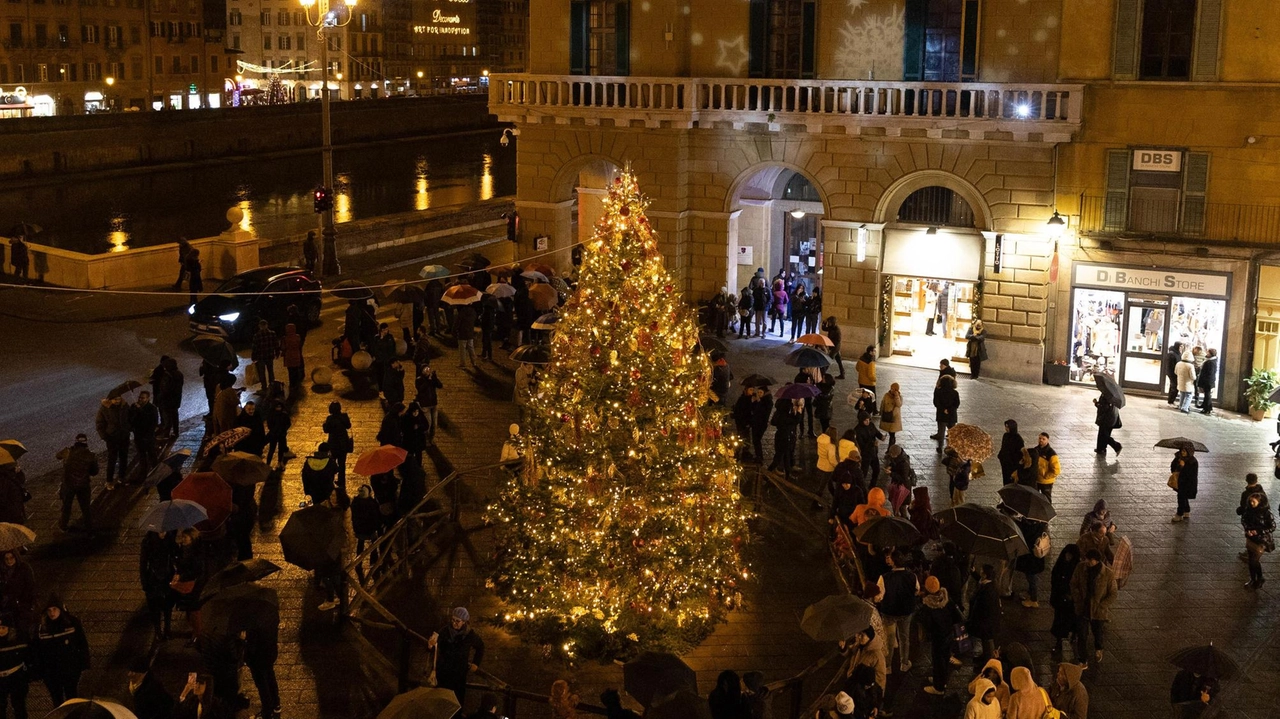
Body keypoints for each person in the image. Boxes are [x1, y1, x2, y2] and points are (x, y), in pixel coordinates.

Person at [34, 596, 89, 705]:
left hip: (70, 669)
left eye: (54, 609)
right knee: (57, 700)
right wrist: (40, 671)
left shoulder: (72, 623)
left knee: (72, 698)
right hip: (51, 673)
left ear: (60, 609)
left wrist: (83, 664)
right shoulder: (41, 628)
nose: (52, 613)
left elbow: (82, 643)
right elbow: (37, 650)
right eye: (49, 610)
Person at [429, 607, 485, 706]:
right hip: (443, 673)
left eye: (457, 621)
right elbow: (435, 646)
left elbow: (480, 647)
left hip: (458, 675)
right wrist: (430, 645)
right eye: (453, 620)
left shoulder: (469, 635)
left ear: (464, 622)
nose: (454, 623)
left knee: (456, 702)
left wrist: (476, 663)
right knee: (442, 701)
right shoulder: (444, 631)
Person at [1070, 549, 1116, 665]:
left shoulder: (1108, 574)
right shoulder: (1081, 568)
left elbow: (1113, 593)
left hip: (1098, 611)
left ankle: (1099, 648)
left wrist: (1102, 606)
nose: (1087, 562)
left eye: (1089, 560)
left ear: (1096, 561)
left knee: (1098, 632)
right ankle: (1082, 659)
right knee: (1082, 635)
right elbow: (1073, 584)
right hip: (1082, 608)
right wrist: (1077, 599)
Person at [875, 549, 918, 674]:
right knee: (904, 638)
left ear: (893, 562)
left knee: (889, 640)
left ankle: (887, 666)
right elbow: (916, 590)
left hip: (889, 612)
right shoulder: (912, 576)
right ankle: (904, 663)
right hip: (906, 612)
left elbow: (879, 596)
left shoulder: (884, 578)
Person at [919, 575, 962, 696]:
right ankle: (941, 680)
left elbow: (927, 625)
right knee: (945, 658)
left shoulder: (928, 606)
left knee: (938, 661)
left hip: (938, 638)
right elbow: (956, 616)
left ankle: (938, 687)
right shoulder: (947, 598)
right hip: (949, 634)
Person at [55, 434, 98, 532]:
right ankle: (89, 528)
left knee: (66, 506)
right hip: (83, 485)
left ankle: (63, 525)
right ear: (86, 443)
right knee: (85, 507)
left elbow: (57, 456)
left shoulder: (68, 452)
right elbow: (94, 472)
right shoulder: (91, 455)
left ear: (76, 441)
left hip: (68, 484)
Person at [138, 531, 175, 642]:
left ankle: (167, 629)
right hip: (153, 579)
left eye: (164, 530)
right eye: (160, 531)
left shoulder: (170, 538)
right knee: (155, 607)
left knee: (168, 605)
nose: (163, 533)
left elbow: (173, 555)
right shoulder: (148, 542)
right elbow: (143, 564)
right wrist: (144, 582)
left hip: (167, 576)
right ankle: (158, 631)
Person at [96, 395, 131, 489]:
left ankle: (122, 477)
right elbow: (100, 424)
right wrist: (105, 437)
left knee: (124, 457)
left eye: (118, 399)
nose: (117, 401)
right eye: (115, 399)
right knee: (112, 459)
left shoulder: (125, 406)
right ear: (110, 399)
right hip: (112, 438)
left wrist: (128, 429)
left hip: (124, 436)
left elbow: (130, 418)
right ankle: (109, 480)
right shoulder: (105, 408)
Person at [1241, 492, 1274, 589]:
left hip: (1261, 540)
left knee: (1253, 560)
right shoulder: (1249, 511)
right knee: (1253, 561)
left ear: (1260, 502)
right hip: (1251, 538)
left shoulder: (1266, 513)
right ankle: (1257, 579)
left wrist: (1258, 531)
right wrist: (1248, 530)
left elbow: (1272, 526)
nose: (1251, 503)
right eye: (1250, 501)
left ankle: (1256, 579)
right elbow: (1244, 521)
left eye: (1253, 502)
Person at [968, 564, 1001, 660]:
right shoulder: (990, 584)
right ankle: (986, 657)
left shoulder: (987, 591)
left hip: (986, 622)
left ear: (985, 575)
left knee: (987, 640)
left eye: (981, 571)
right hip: (988, 622)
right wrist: (974, 573)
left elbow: (979, 606)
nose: (980, 572)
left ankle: (989, 660)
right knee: (985, 639)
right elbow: (980, 580)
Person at [0, 615, 29, 719]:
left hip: (16, 677)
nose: (1, 631)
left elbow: (27, 656)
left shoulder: (18, 640)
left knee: (19, 705)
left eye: (3, 628)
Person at [323, 401, 353, 498]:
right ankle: (341, 482)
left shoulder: (330, 419)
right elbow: (348, 426)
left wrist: (324, 424)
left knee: (332, 463)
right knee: (342, 464)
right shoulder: (344, 416)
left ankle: (331, 481)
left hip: (333, 444)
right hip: (343, 444)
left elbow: (326, 430)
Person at [767, 398, 802, 479]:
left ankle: (788, 474)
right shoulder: (785, 415)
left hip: (779, 436)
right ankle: (767, 473)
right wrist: (798, 412)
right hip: (785, 437)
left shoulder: (778, 413)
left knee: (786, 456)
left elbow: (773, 422)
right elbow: (795, 421)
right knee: (778, 458)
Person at [129, 390, 160, 480]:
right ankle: (143, 473)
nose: (140, 399)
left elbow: (152, 422)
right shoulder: (134, 406)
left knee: (152, 454)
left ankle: (156, 471)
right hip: (138, 435)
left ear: (148, 399)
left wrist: (140, 410)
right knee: (141, 455)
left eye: (143, 398)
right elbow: (131, 419)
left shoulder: (152, 408)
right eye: (140, 397)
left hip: (148, 436)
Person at [852, 412, 883, 487]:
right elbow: (861, 445)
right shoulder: (857, 430)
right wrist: (872, 444)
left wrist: (881, 436)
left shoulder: (871, 425)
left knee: (877, 470)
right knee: (864, 472)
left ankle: (872, 485)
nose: (868, 422)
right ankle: (860, 486)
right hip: (865, 455)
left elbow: (876, 432)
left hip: (874, 452)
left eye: (869, 420)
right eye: (866, 420)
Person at [930, 375, 960, 454]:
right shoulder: (955, 393)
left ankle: (940, 447)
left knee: (941, 432)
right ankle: (952, 447)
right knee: (952, 432)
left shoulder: (938, 392)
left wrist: (943, 409)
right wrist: (949, 410)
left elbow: (936, 403)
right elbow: (957, 404)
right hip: (952, 415)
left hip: (941, 415)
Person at [415, 366, 443, 444]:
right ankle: (426, 439)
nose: (427, 370)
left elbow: (440, 385)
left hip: (434, 404)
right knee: (428, 424)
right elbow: (420, 389)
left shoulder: (432, 379)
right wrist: (428, 380)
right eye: (425, 369)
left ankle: (432, 438)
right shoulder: (419, 380)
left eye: (428, 369)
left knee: (434, 424)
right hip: (425, 405)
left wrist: (435, 378)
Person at [1170, 446, 1199, 522]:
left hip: (1188, 483)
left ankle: (1179, 514)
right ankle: (1186, 510)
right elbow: (1173, 468)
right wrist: (1179, 465)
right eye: (1182, 450)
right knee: (1183, 496)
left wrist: (1184, 466)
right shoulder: (1178, 458)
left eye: (1185, 451)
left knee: (1181, 497)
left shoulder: (1193, 461)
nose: (1183, 452)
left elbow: (1190, 474)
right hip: (1179, 481)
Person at [1030, 432, 1060, 501]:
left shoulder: (1051, 454)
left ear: (1047, 440)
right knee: (1034, 499)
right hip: (1036, 480)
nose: (1041, 440)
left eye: (1043, 439)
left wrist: (1046, 476)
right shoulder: (1035, 450)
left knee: (1046, 500)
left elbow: (1056, 470)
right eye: (1040, 438)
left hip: (1046, 482)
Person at [996, 420, 1025, 486]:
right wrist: (1001, 457)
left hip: (1013, 464)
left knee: (1011, 481)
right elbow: (1003, 447)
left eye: (1007, 427)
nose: (1006, 428)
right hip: (1005, 463)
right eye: (1006, 427)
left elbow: (1021, 452)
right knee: (1005, 480)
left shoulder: (1018, 439)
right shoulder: (1005, 435)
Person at [455, 301, 479, 370]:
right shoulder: (473, 312)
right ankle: (474, 362)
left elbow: (457, 323)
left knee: (462, 349)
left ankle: (463, 364)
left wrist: (454, 330)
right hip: (470, 333)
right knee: (471, 348)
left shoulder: (462, 312)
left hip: (462, 333)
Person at [1174, 348, 1197, 413]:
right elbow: (1193, 377)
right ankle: (1185, 408)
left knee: (1182, 394)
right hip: (1188, 383)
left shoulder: (1178, 363)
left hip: (1180, 382)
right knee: (1189, 395)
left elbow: (1175, 372)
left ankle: (1181, 406)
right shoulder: (1190, 366)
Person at [1196, 347, 1218, 415]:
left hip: (1207, 381)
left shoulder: (1210, 362)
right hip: (1209, 381)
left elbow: (1208, 373)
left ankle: (1206, 409)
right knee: (1207, 395)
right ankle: (1208, 407)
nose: (1206, 353)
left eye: (1208, 352)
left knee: (1207, 395)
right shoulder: (1212, 361)